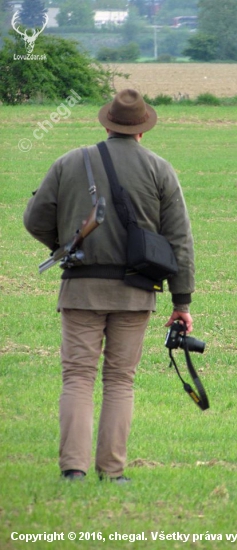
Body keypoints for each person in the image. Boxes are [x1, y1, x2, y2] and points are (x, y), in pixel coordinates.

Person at [23, 89, 195, 483]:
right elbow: (180, 240)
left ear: (106, 124)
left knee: (78, 377)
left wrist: (64, 245)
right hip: (136, 293)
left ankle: (73, 471)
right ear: (142, 131)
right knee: (120, 380)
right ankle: (113, 472)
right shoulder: (160, 169)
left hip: (81, 288)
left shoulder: (70, 161)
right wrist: (181, 301)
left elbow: (34, 219)